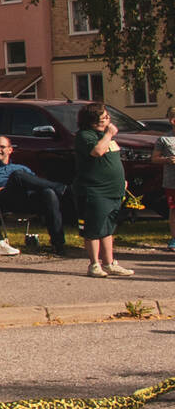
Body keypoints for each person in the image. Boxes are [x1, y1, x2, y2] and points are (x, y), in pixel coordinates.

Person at [0, 137, 70, 255]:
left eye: (2, 147)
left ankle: (58, 244)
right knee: (17, 175)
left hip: (25, 200)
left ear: (10, 150)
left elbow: (36, 184)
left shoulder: (21, 168)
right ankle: (61, 189)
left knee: (49, 193)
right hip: (4, 200)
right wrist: (8, 187)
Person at [73, 102, 132, 278]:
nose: (108, 119)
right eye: (104, 117)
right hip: (95, 190)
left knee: (108, 228)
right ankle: (94, 264)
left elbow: (111, 159)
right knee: (94, 227)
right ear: (93, 119)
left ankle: (109, 263)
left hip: (114, 189)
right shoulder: (85, 136)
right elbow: (97, 151)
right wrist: (109, 134)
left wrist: (121, 180)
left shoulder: (105, 136)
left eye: (107, 116)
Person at [155, 104, 175, 252]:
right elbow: (154, 158)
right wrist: (167, 160)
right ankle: (174, 239)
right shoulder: (164, 139)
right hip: (172, 182)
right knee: (174, 210)